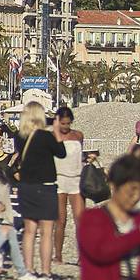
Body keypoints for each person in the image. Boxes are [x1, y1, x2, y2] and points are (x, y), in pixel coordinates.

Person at [8, 102, 67, 279]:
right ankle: (46, 271)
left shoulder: (19, 137)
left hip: (26, 187)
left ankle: (28, 270)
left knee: (29, 230)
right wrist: (56, 130)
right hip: (45, 186)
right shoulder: (45, 136)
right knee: (46, 232)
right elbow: (61, 153)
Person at [52, 105, 85, 265]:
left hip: (76, 179)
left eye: (68, 123)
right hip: (59, 179)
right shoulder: (53, 136)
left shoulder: (78, 135)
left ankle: (81, 256)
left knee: (80, 220)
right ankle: (58, 255)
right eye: (63, 123)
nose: (65, 127)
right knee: (61, 220)